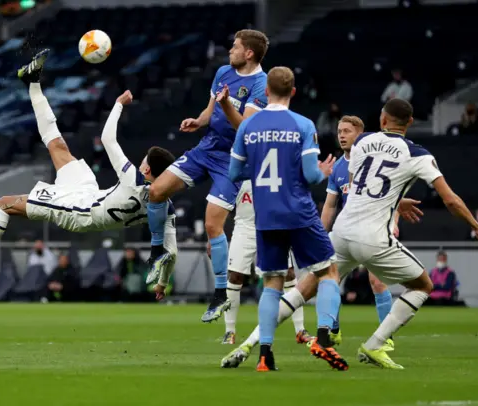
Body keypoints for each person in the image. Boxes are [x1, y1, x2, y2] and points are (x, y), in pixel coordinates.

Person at [222, 98, 478, 370]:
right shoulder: (418, 154)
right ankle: (376, 344)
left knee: (301, 291)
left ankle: (248, 344)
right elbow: (450, 200)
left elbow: (358, 191)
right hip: (373, 238)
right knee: (423, 286)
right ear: (410, 122)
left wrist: (396, 201)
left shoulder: (362, 143)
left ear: (382, 119)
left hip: (342, 232)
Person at [0, 50, 177, 296]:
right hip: (89, 194)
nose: (140, 164)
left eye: (143, 162)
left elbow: (107, 138)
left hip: (79, 212)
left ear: (147, 169)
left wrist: (118, 104)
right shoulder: (166, 206)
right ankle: (32, 82)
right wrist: (163, 282)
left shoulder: (135, 180)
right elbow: (173, 251)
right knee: (58, 146)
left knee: (4, 204)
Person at [228, 66, 347, 372]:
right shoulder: (303, 125)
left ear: (265, 91)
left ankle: (265, 355)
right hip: (298, 210)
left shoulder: (248, 127)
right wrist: (322, 172)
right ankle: (323, 336)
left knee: (272, 283)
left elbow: (233, 173)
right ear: (293, 92)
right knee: (328, 272)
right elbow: (309, 175)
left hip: (265, 213)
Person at [146, 29, 270, 323]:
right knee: (155, 191)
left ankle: (220, 293)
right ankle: (156, 251)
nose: (231, 50)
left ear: (249, 53)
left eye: (235, 46)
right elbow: (211, 108)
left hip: (233, 160)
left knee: (213, 224)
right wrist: (199, 121)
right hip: (207, 147)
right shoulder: (223, 72)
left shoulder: (261, 84)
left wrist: (227, 103)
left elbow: (245, 129)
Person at [320, 115, 396, 350]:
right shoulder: (338, 168)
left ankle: (385, 338)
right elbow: (331, 205)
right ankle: (333, 329)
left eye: (347, 131)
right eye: (339, 131)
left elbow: (394, 195)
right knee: (328, 279)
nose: (341, 135)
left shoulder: (376, 163)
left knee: (377, 281)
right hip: (346, 232)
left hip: (374, 229)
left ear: (360, 135)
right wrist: (321, 235)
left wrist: (394, 222)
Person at [222, 180, 313, 345]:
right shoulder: (237, 171)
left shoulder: (273, 167)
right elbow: (222, 203)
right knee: (235, 276)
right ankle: (230, 331)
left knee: (289, 273)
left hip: (273, 226)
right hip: (245, 228)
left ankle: (300, 330)